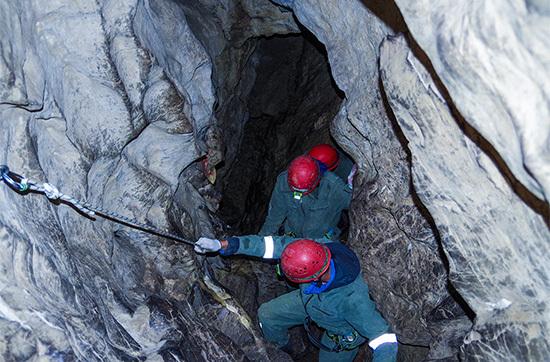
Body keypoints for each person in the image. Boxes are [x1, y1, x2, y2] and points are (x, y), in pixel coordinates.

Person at [194, 235, 398, 362]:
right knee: (268, 314)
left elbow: (384, 340)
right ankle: (282, 351)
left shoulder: (353, 299)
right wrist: (223, 244)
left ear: (312, 276)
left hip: (340, 329)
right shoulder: (309, 250)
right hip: (310, 299)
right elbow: (269, 245)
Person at [259, 155, 351, 240]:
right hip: (292, 239)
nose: (298, 193)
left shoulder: (333, 187)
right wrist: (263, 242)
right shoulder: (284, 181)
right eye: (295, 189)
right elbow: (274, 216)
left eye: (302, 191)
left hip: (322, 242)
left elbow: (356, 205)